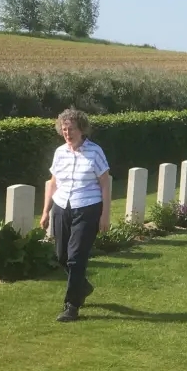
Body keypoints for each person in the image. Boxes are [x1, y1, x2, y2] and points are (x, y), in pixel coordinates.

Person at [40, 109, 111, 322]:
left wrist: (105, 215)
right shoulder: (60, 152)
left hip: (87, 207)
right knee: (62, 256)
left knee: (76, 257)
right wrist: (45, 211)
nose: (67, 133)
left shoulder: (95, 152)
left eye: (71, 129)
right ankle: (83, 286)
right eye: (64, 129)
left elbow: (105, 183)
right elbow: (53, 182)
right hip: (62, 206)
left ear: (82, 129)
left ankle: (71, 306)